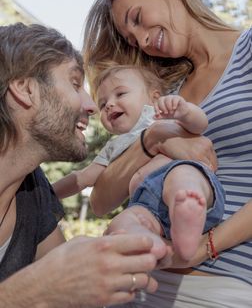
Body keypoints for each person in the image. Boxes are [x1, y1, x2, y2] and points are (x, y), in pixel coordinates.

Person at [82, 0, 252, 307]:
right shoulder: (162, 98)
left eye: (138, 17)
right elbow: (100, 201)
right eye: (133, 40)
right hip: (142, 281)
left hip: (224, 285)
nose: (143, 40)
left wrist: (205, 247)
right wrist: (153, 139)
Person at [0, 22, 160, 308]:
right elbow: (48, 283)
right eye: (75, 83)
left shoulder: (33, 190)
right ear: (25, 90)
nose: (92, 105)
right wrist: (33, 290)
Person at [54, 64, 225, 261]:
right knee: (121, 222)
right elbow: (83, 178)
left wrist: (185, 111)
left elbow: (200, 124)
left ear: (154, 98)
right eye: (102, 104)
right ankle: (155, 241)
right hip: (149, 208)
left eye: (120, 94)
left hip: (188, 183)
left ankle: (188, 206)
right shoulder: (112, 147)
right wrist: (49, 193)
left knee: (182, 176)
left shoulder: (158, 117)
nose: (109, 104)